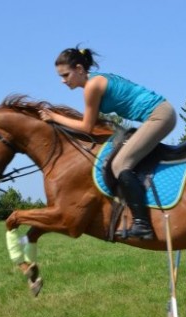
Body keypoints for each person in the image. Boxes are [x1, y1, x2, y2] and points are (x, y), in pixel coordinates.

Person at [39, 47, 176, 240]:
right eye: (61, 77)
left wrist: (54, 117)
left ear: (79, 69)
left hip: (159, 116)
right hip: (160, 113)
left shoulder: (92, 87)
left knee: (119, 164)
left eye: (65, 75)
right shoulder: (95, 79)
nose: (63, 81)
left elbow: (87, 127)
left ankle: (142, 225)